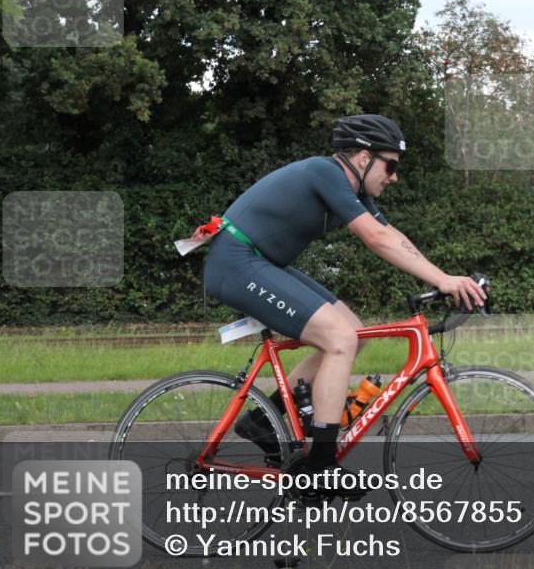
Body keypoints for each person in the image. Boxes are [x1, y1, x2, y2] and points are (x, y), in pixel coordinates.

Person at [203, 114, 486, 496]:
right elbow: (375, 238)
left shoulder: (353, 192)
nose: (394, 176)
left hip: (260, 262)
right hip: (237, 263)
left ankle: (262, 422)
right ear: (364, 157)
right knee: (340, 339)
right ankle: (321, 467)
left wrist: (443, 276)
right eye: (391, 165)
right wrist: (442, 280)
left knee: (355, 332)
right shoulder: (327, 172)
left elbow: (391, 235)